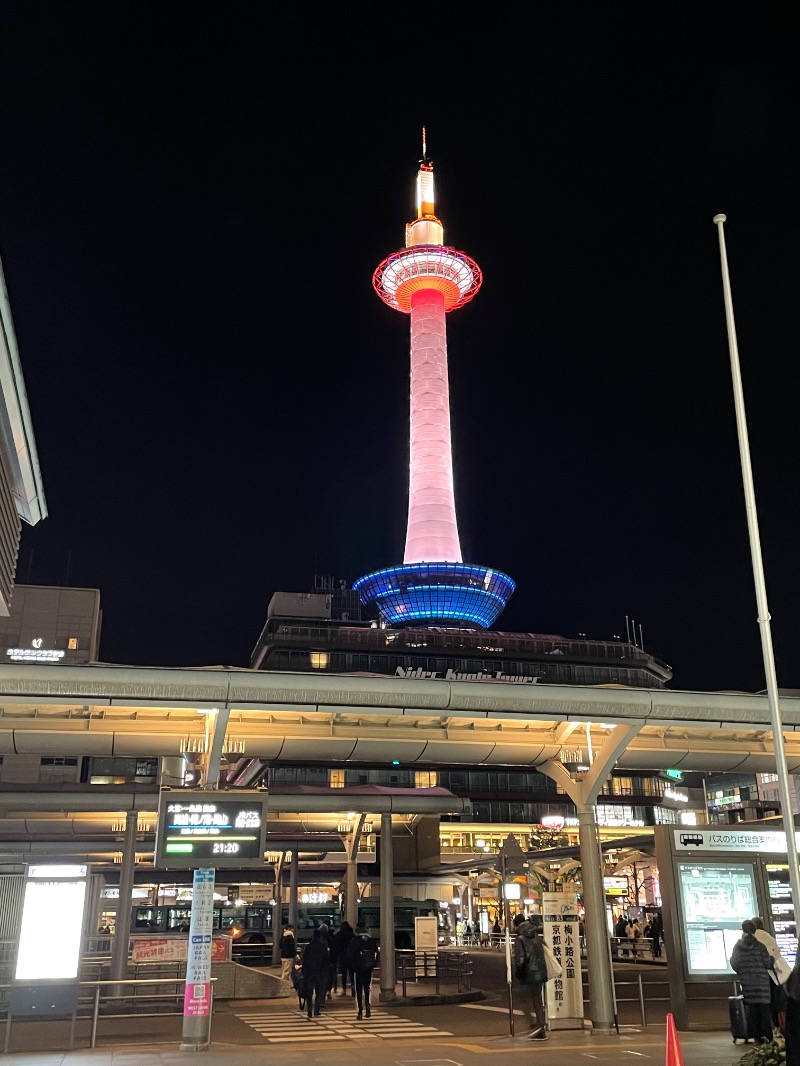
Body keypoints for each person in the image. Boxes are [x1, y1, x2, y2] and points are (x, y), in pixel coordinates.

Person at [730, 919, 775, 1044]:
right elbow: (768, 964)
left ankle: (757, 1039)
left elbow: (734, 964)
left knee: (753, 1013)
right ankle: (768, 1039)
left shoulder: (738, 947)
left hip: (748, 986)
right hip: (762, 987)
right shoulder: (760, 946)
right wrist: (772, 958)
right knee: (764, 1013)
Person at [752, 916, 791, 1030]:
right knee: (775, 1002)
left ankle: (763, 1031)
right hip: (773, 975)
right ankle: (778, 1028)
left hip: (757, 977)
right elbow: (776, 956)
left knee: (761, 1006)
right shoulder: (769, 938)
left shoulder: (750, 939)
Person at [513, 916, 548, 1039]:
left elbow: (520, 960)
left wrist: (518, 973)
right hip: (540, 972)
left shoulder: (520, 939)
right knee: (538, 1001)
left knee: (524, 1000)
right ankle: (541, 1026)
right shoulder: (537, 936)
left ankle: (534, 1024)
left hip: (528, 973)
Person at [344, 923, 378, 1020]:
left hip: (358, 969)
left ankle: (360, 1011)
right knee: (367, 988)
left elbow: (349, 955)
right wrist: (373, 964)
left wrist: (352, 967)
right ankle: (368, 1006)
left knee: (359, 989)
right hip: (368, 969)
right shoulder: (371, 941)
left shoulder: (354, 941)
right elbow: (376, 953)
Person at [301, 927, 330, 1019]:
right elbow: (326, 961)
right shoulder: (323, 947)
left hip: (310, 972)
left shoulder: (309, 947)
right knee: (319, 991)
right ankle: (317, 1010)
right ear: (320, 937)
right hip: (320, 972)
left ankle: (309, 1009)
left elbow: (305, 960)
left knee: (309, 991)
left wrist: (303, 971)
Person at [333, 919, 355, 995]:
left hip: (342, 956)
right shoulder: (352, 934)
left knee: (344, 973)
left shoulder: (339, 934)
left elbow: (336, 946)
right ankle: (353, 987)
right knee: (352, 973)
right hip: (351, 956)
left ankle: (344, 989)